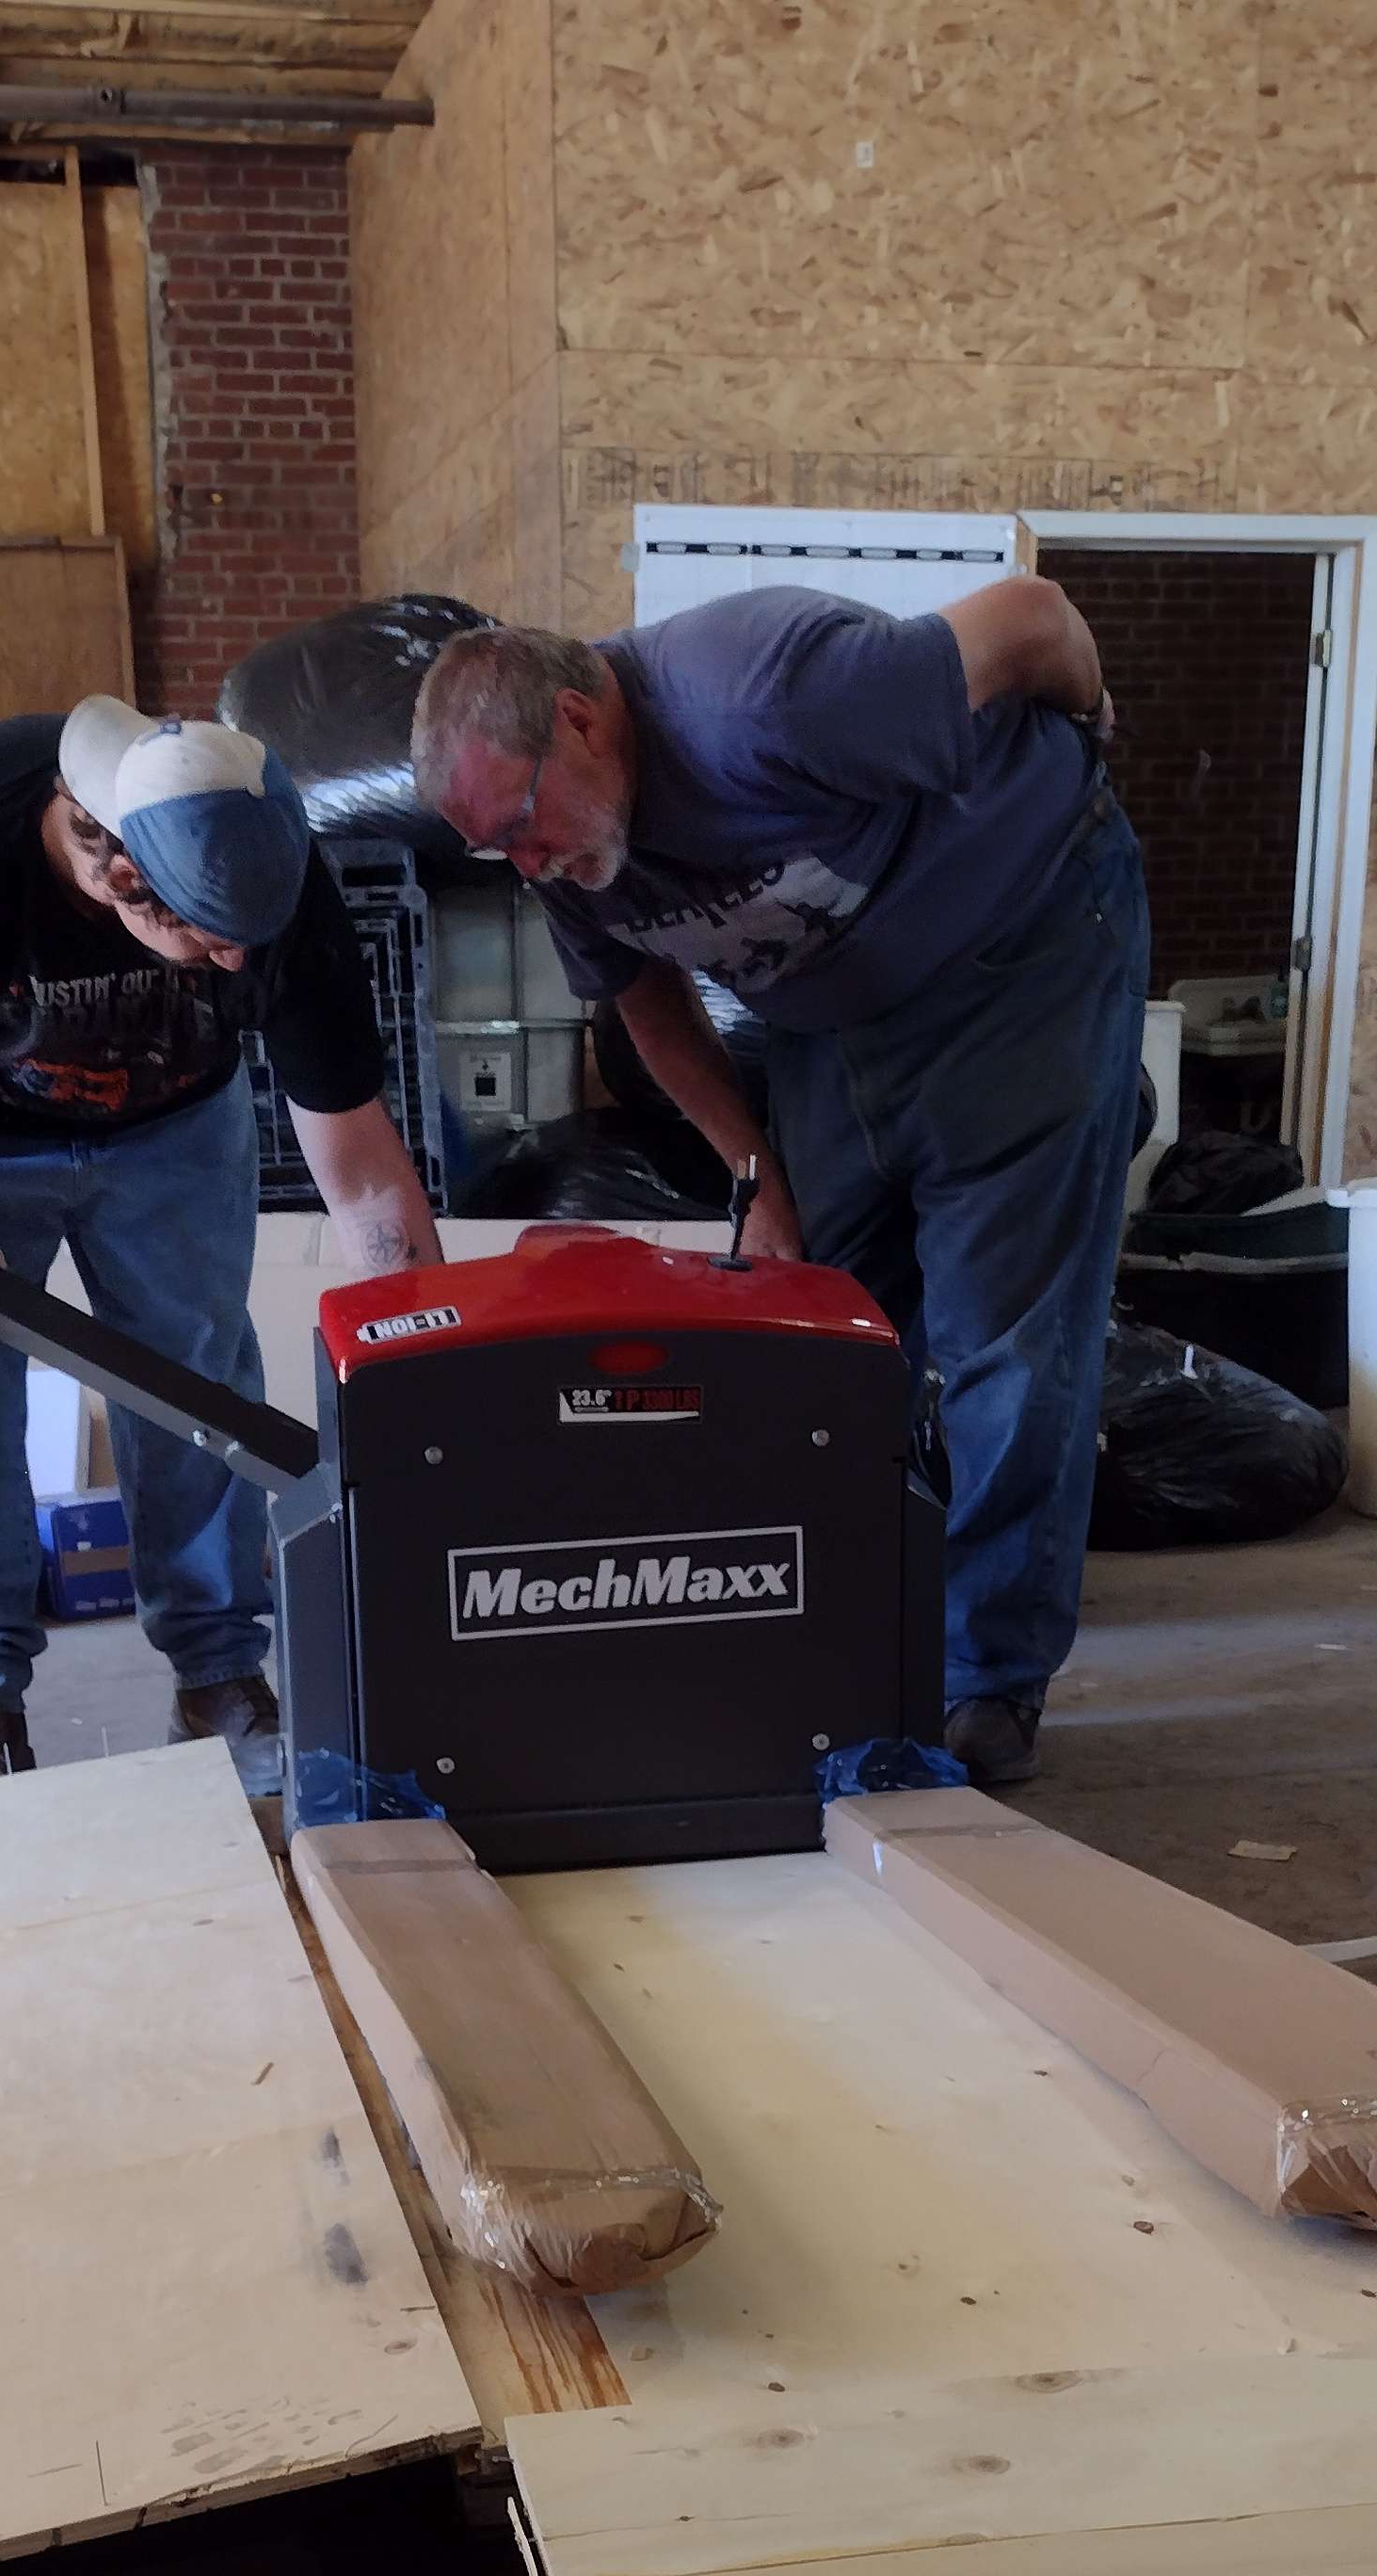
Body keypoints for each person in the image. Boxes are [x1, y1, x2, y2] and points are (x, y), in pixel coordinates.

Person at [410, 586, 1147, 1787]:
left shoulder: (768, 694)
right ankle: (845, 1630)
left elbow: (1036, 616)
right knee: (825, 1331)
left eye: (529, 828)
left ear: (584, 720)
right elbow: (645, 1002)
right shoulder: (560, 846)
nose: (531, 866)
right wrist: (750, 1172)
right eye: (503, 851)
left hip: (1023, 951)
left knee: (1005, 1337)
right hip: (831, 1015)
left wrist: (1095, 718)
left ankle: (985, 1674)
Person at [0, 697, 442, 1788]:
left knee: (194, 1382)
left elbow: (360, 1167)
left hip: (174, 1126)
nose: (232, 962)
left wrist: (432, 1358)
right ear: (117, 875)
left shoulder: (279, 888)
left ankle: (216, 1676)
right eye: (208, 940)